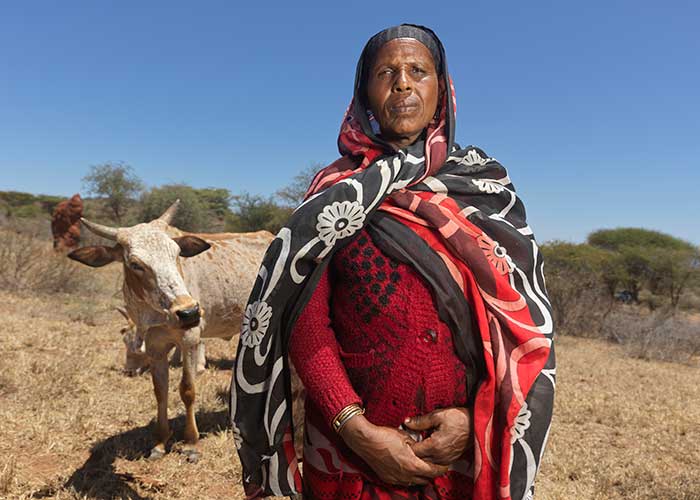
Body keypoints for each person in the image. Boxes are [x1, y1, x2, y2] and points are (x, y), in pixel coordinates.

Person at [230, 24, 555, 500]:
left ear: (441, 90)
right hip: (351, 458)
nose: (402, 83)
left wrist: (475, 417)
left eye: (418, 71)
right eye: (386, 72)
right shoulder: (336, 194)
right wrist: (356, 428)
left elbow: (518, 326)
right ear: (364, 93)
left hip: (458, 455)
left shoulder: (484, 190)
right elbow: (304, 321)